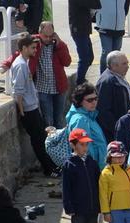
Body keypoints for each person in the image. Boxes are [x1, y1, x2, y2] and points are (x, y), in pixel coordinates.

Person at [10, 34, 62, 178]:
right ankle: (49, 169)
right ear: (23, 48)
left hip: (32, 108)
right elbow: (18, 90)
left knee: (42, 138)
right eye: (32, 48)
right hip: (28, 110)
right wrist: (22, 112)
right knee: (38, 141)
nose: (35, 50)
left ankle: (50, 166)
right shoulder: (20, 65)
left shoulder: (23, 62)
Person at [62, 128, 103, 223]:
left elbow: (99, 184)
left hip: (92, 207)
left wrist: (101, 204)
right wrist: (69, 207)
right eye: (81, 144)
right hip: (77, 208)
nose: (85, 148)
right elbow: (66, 189)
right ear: (73, 145)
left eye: (86, 145)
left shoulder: (92, 163)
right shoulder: (69, 165)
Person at [35, 22, 71, 128]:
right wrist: (7, 64)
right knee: (48, 120)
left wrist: (59, 45)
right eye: (45, 36)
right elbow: (19, 54)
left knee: (59, 119)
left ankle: (60, 143)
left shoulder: (60, 45)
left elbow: (67, 62)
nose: (48, 39)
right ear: (39, 33)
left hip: (59, 88)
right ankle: (49, 143)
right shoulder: (34, 43)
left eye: (51, 36)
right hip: (43, 88)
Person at [66, 83, 108, 167]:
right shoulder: (81, 120)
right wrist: (92, 168)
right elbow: (81, 149)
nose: (94, 102)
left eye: (96, 99)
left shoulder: (89, 115)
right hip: (91, 167)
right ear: (80, 101)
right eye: (90, 100)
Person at [95, 50, 130, 140]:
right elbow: (103, 111)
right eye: (124, 64)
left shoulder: (118, 77)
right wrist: (118, 128)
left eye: (127, 63)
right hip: (114, 132)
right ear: (114, 66)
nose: (127, 66)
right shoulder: (107, 82)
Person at [95, 0, 130, 75]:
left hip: (119, 26)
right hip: (104, 25)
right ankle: (104, 77)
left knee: (117, 56)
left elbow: (126, 6)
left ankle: (116, 77)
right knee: (106, 53)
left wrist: (122, 16)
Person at [69, 0, 99, 84]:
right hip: (78, 28)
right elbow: (94, 4)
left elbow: (97, 4)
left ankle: (81, 79)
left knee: (89, 57)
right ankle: (79, 82)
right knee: (85, 58)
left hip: (84, 29)